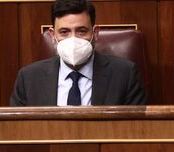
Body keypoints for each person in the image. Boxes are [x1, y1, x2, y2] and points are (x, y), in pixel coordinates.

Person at [9, 0, 146, 106]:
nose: (73, 38)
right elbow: (18, 132)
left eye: (81, 31)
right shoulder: (28, 79)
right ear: (52, 35)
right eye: (64, 32)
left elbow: (135, 130)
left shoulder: (125, 75)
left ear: (95, 33)